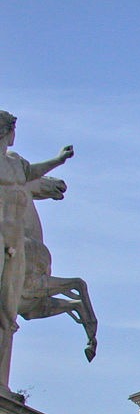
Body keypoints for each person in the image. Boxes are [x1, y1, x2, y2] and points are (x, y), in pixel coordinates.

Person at [0, 111, 74, 392]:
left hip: (15, 245)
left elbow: (33, 173)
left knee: (8, 310)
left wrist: (58, 159)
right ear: (7, 132)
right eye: (12, 130)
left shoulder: (16, 163)